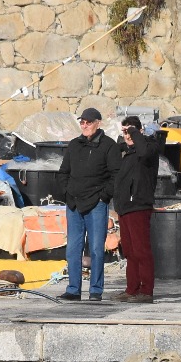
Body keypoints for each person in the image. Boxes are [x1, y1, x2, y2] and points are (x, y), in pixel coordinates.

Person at [56, 107, 121, 302]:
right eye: (82, 122)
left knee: (95, 249)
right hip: (74, 203)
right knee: (73, 249)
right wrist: (66, 193)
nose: (84, 125)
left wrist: (104, 196)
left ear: (98, 123)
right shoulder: (74, 145)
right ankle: (73, 289)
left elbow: (116, 175)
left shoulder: (109, 146)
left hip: (96, 204)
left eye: (88, 122)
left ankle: (95, 290)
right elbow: (63, 171)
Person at [112, 114, 163, 303]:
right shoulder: (126, 153)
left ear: (140, 130)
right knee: (130, 252)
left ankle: (146, 291)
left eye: (131, 131)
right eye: (125, 131)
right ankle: (131, 289)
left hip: (139, 205)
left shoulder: (149, 148)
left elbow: (143, 152)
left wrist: (134, 131)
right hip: (125, 207)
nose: (127, 135)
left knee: (142, 250)